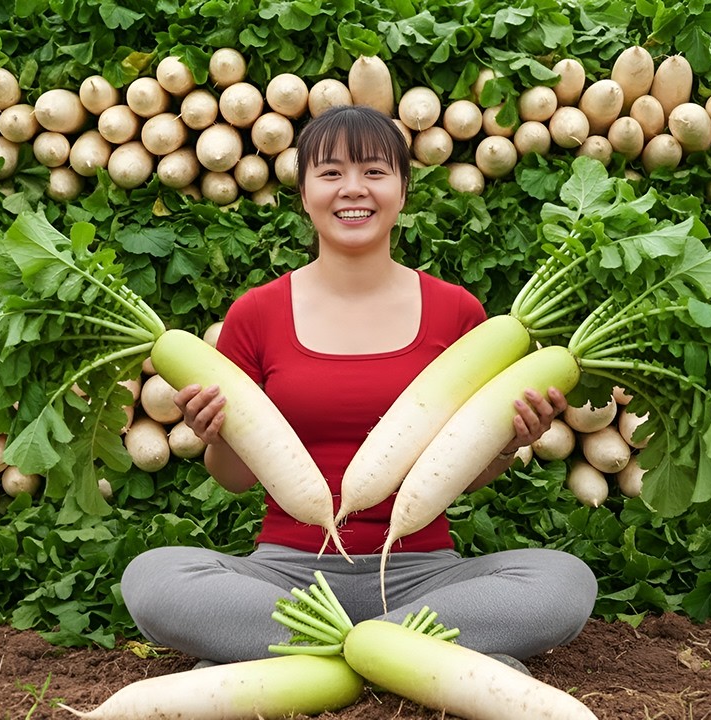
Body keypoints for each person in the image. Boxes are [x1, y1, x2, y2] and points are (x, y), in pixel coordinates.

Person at [120, 105, 596, 670]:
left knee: (565, 580)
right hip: (283, 576)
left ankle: (305, 656)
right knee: (152, 577)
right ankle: (408, 657)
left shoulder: (458, 314)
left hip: (425, 576)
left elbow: (464, 476)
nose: (354, 189)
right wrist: (214, 435)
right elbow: (235, 478)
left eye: (374, 171)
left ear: (402, 189)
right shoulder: (257, 314)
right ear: (303, 194)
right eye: (330, 173)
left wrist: (507, 441)